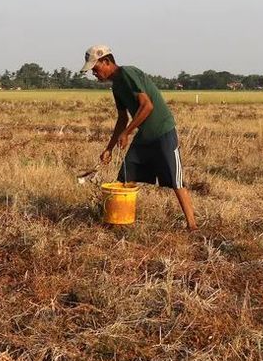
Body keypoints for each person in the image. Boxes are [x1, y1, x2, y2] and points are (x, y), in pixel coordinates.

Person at [80, 44, 198, 231]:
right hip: (144, 135)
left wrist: (127, 133)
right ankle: (117, 220)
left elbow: (147, 106)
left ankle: (192, 226)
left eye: (95, 68)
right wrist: (109, 148)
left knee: (176, 180)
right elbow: (122, 119)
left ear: (107, 61)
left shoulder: (127, 74)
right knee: (125, 176)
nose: (94, 73)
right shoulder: (116, 87)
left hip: (162, 131)